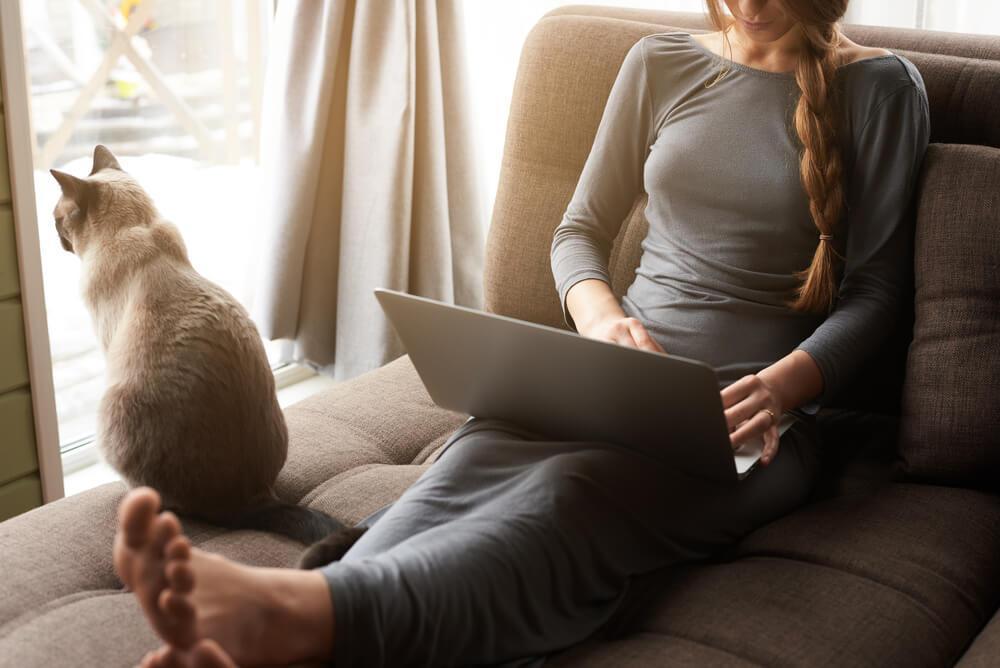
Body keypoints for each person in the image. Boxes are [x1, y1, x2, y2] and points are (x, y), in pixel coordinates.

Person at [113, 1, 930, 666]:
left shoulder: (882, 90)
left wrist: (784, 386)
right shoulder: (661, 63)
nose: (750, 6)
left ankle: (306, 610)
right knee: (460, 470)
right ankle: (288, 634)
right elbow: (577, 232)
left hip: (747, 423)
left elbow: (877, 294)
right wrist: (603, 321)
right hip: (609, 380)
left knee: (566, 495)